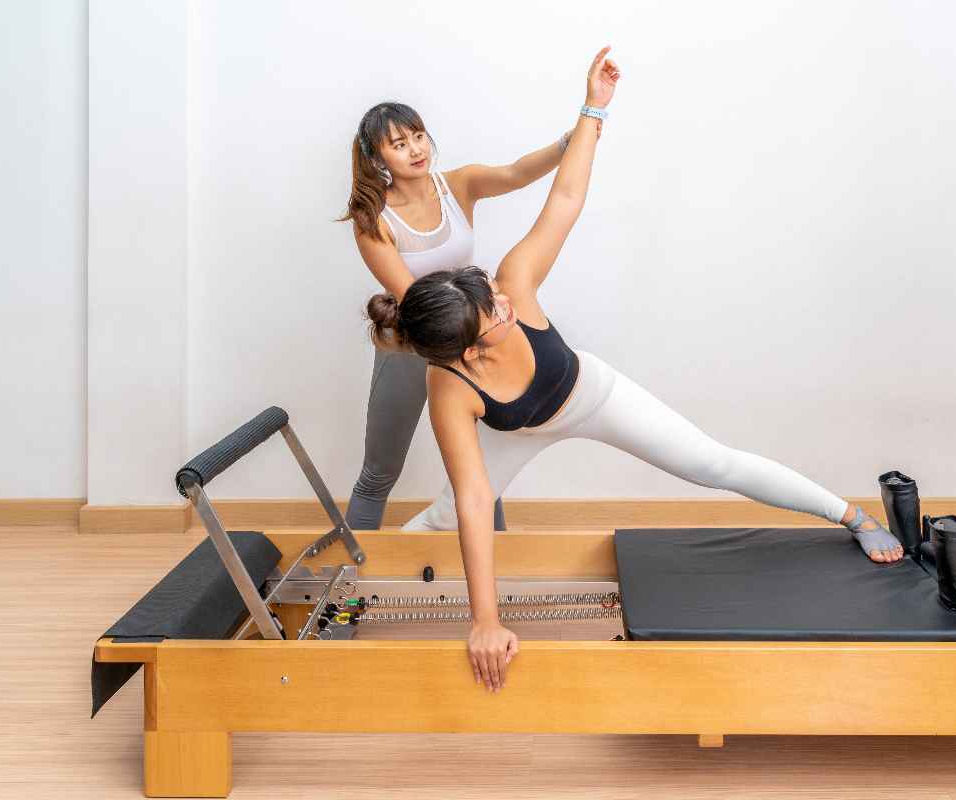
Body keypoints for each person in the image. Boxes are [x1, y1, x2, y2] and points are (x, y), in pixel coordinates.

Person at [367, 47, 904, 694]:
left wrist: (593, 107)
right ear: (472, 353)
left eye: (495, 295)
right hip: (516, 429)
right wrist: (487, 620)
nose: (507, 301)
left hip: (588, 395)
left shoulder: (512, 282)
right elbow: (478, 498)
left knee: (713, 463)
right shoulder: (449, 384)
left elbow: (566, 198)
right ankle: (352, 589)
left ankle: (850, 515)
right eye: (496, 315)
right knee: (444, 517)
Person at [340, 100, 578, 530]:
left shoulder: (459, 185)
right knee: (379, 472)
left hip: (474, 343)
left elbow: (516, 173)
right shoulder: (373, 220)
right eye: (399, 143)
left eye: (418, 136)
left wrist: (569, 142)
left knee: (486, 474)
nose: (415, 148)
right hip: (414, 348)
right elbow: (412, 296)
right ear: (378, 158)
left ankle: (498, 576)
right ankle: (351, 585)